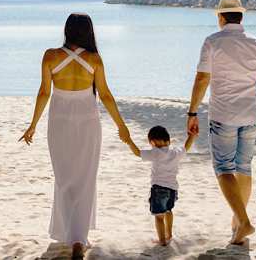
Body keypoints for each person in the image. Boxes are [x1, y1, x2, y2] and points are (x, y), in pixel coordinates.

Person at [21, 13, 134, 259]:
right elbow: (105, 95)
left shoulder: (51, 56)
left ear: (67, 30)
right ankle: (78, 239)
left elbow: (43, 93)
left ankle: (71, 235)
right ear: (88, 32)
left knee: (64, 178)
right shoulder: (95, 59)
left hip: (59, 122)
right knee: (85, 177)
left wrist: (33, 125)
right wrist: (121, 126)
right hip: (88, 121)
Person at [185, 0, 256, 246]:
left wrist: (192, 112)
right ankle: (238, 222)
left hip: (223, 115)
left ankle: (243, 221)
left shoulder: (212, 42)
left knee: (223, 168)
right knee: (244, 167)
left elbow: (202, 79)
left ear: (221, 17)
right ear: (241, 17)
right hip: (250, 114)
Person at [127, 124, 196, 246]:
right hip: (173, 189)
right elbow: (186, 147)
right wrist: (192, 136)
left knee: (159, 216)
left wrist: (129, 141)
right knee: (169, 211)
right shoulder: (175, 152)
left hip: (159, 189)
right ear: (169, 141)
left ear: (152, 142)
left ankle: (162, 240)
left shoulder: (155, 153)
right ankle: (169, 235)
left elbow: (137, 153)